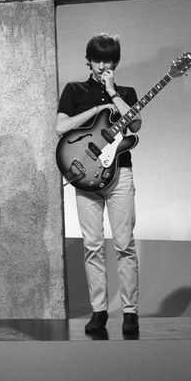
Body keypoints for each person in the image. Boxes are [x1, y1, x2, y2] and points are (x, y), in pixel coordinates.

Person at [55, 33, 142, 335]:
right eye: (97, 59)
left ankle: (130, 312)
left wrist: (112, 92)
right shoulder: (74, 89)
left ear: (115, 62)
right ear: (88, 60)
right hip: (86, 176)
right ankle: (99, 311)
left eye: (108, 60)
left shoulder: (126, 91)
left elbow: (135, 125)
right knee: (92, 246)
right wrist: (95, 110)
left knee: (124, 245)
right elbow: (61, 126)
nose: (102, 64)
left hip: (120, 174)